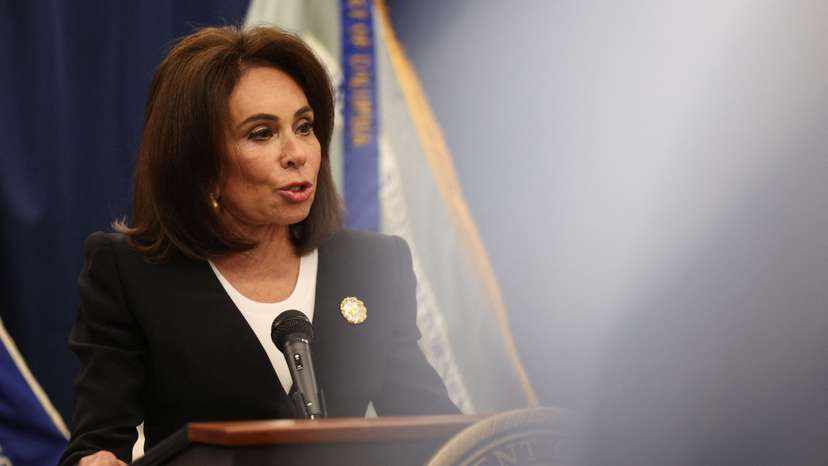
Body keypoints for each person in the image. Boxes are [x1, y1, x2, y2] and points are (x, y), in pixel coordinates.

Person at [59, 25, 458, 466]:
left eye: (304, 127)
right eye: (262, 133)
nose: (297, 153)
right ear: (201, 163)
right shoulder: (129, 273)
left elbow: (436, 434)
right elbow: (96, 440)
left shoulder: (371, 264)